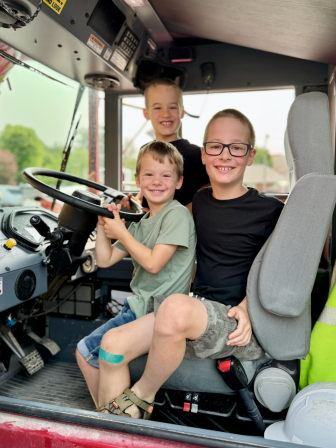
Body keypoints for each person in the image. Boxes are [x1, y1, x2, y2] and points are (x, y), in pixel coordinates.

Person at [94, 109, 284, 419]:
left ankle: (143, 394)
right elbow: (162, 221)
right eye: (215, 146)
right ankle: (117, 430)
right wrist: (121, 218)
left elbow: (278, 272)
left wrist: (250, 307)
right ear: (204, 155)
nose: (225, 155)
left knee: (173, 306)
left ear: (250, 155)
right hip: (196, 310)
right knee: (112, 343)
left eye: (236, 147)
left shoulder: (270, 211)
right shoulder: (200, 203)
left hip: (236, 323)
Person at [75, 141, 196, 407]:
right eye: (149, 175)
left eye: (166, 175)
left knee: (106, 350)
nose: (157, 181)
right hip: (136, 308)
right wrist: (105, 223)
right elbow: (105, 260)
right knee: (84, 352)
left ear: (178, 182)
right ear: (138, 180)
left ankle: (117, 422)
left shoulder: (176, 215)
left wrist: (122, 233)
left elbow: (154, 263)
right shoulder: (142, 221)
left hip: (160, 313)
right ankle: (107, 416)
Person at [127, 78, 210, 214]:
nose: (166, 114)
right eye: (158, 108)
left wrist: (170, 220)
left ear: (182, 112)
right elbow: (147, 189)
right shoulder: (145, 151)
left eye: (172, 107)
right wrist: (136, 201)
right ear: (146, 113)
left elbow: (206, 197)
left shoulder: (196, 154)